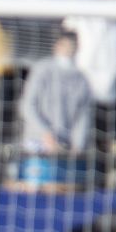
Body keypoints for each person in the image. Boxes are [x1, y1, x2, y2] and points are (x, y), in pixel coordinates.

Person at [15, 30, 94, 191]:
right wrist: (45, 133)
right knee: (32, 190)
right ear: (56, 46)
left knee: (59, 191)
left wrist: (77, 145)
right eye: (65, 46)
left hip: (64, 148)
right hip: (36, 143)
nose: (68, 50)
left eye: (73, 47)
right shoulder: (42, 70)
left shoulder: (81, 78)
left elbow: (83, 116)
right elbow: (27, 105)